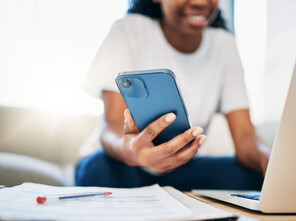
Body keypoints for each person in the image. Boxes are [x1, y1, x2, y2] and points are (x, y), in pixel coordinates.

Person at [75, 0, 269, 191]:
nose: (200, 2)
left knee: (249, 177)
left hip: (181, 169)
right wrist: (132, 152)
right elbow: (112, 124)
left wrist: (268, 160)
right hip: (122, 161)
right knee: (100, 171)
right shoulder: (129, 30)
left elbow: (244, 135)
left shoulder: (224, 44)